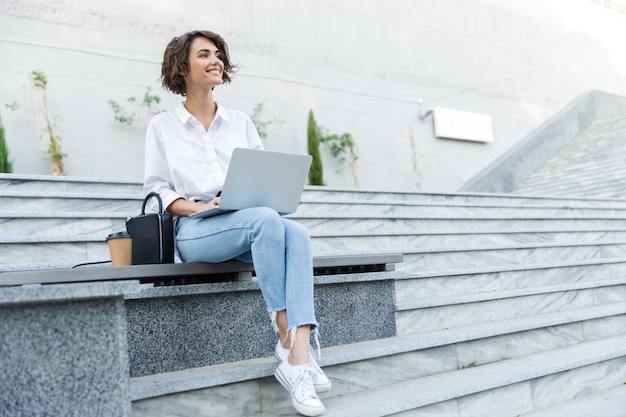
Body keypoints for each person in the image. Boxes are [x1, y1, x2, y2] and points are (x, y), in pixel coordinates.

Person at [143, 30, 330, 417]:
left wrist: (254, 197)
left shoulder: (239, 121)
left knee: (297, 232)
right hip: (195, 229)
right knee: (265, 220)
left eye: (219, 55)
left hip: (246, 217)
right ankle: (285, 335)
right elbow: (158, 190)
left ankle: (298, 353)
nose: (216, 61)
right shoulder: (162, 126)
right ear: (182, 67)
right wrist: (203, 207)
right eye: (205, 55)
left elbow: (261, 175)